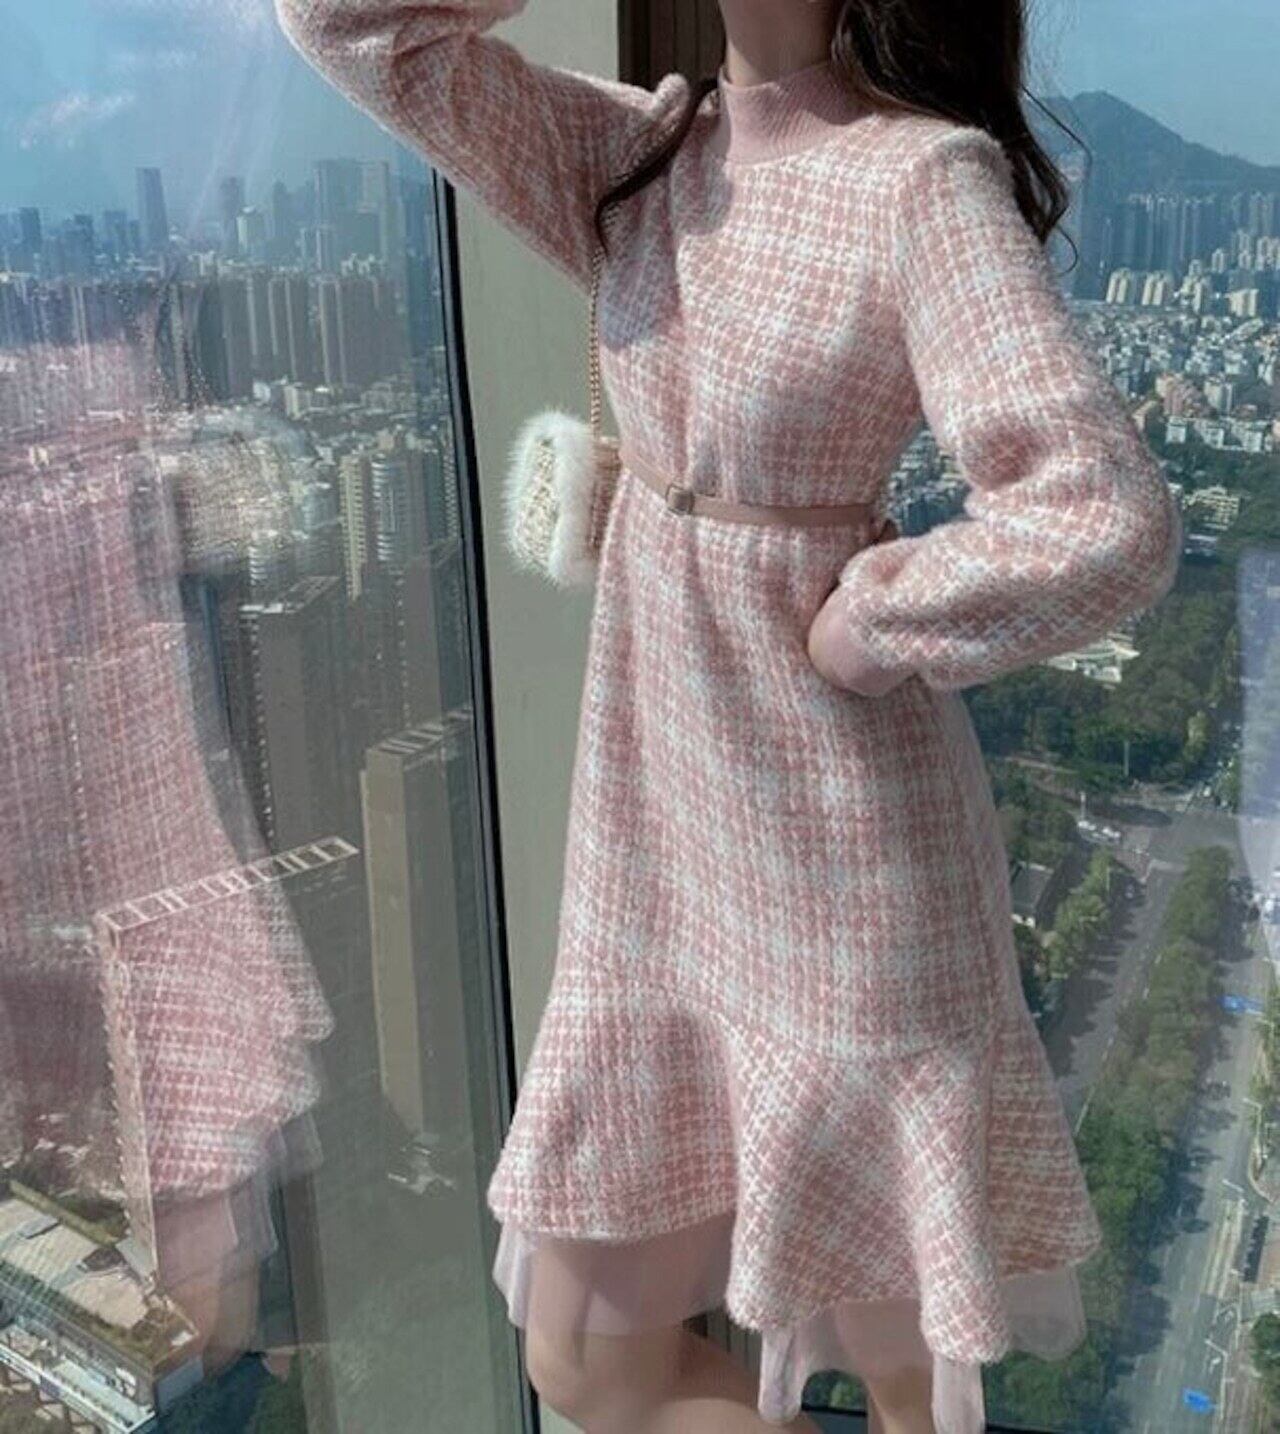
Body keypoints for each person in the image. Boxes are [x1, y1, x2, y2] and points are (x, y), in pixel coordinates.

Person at [275, 0, 1183, 1430]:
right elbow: (347, 24)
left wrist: (871, 619)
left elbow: (1104, 520)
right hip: (657, 868)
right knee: (586, 1364)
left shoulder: (917, 179)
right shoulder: (644, 154)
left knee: (908, 1400)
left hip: (849, 877)